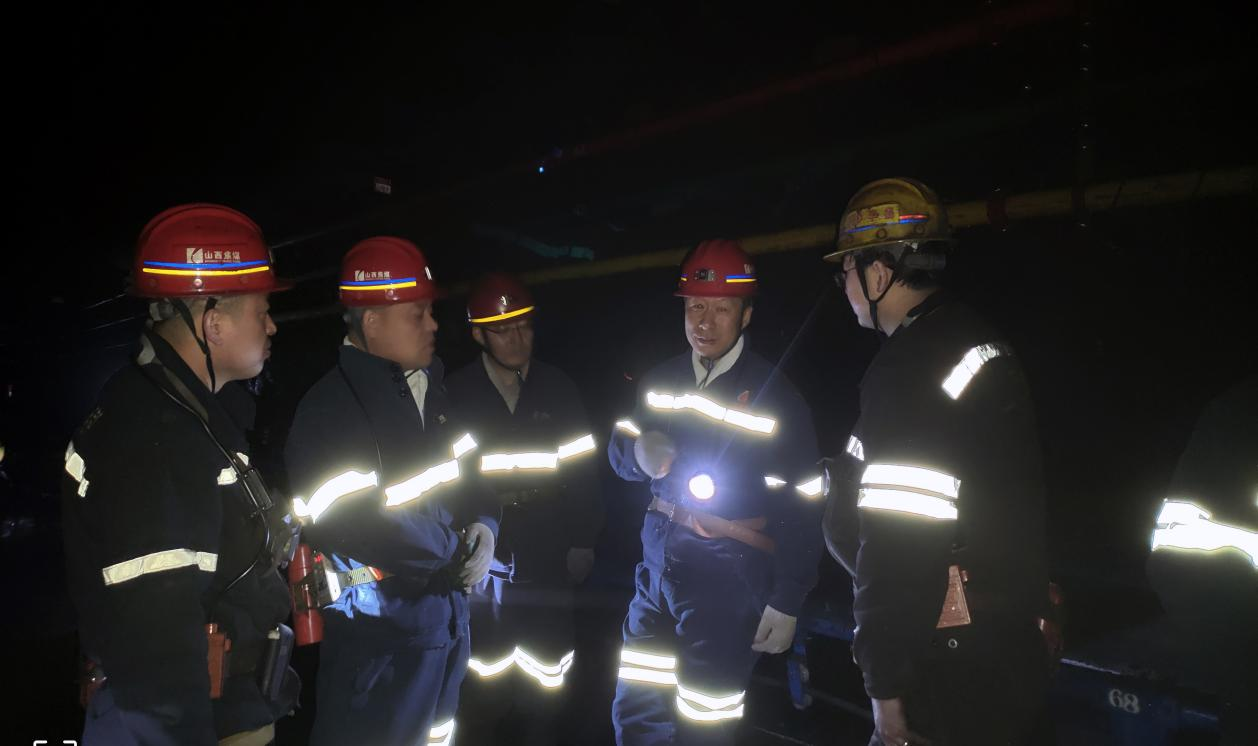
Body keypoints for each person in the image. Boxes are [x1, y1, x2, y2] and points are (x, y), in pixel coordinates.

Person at [821, 178, 1049, 746]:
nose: (843, 284)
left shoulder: (909, 368)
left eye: (845, 269)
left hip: (947, 653)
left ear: (878, 274)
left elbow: (900, 539)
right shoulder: (972, 338)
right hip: (1001, 634)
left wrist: (886, 687)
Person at [62, 203, 300, 745]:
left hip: (226, 709)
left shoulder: (189, 415)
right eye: (262, 310)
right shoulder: (155, 436)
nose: (272, 325)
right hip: (194, 723)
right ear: (213, 323)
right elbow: (159, 647)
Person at [285, 236, 500, 746]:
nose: (433, 326)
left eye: (431, 312)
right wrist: (452, 550)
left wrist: (486, 524)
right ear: (373, 321)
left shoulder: (435, 394)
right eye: (417, 314)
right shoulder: (330, 409)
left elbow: (476, 477)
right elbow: (350, 517)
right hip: (376, 644)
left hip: (444, 627)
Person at [607, 239, 824, 744]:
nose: (704, 323)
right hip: (655, 574)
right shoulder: (658, 381)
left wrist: (788, 598)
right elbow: (619, 451)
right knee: (636, 712)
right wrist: (637, 453)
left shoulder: (777, 395)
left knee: (705, 723)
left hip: (728, 580)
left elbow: (806, 499)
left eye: (721, 309)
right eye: (695, 308)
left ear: (746, 314)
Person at [448, 272, 603, 745]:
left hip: (549, 547)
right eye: (502, 330)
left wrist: (583, 540)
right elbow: (449, 481)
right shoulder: (455, 394)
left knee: (547, 676)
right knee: (482, 677)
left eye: (524, 327)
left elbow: (583, 471)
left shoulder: (558, 388)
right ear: (478, 335)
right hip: (483, 556)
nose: (517, 339)